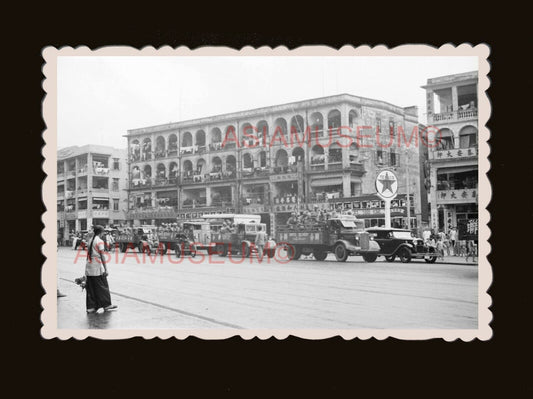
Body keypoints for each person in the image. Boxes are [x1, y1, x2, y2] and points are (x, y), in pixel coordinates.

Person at [85, 225, 117, 313]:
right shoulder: (99, 241)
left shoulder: (90, 240)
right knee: (103, 286)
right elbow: (102, 256)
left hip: (89, 265)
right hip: (96, 266)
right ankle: (106, 305)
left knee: (91, 287)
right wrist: (106, 269)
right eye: (103, 232)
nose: (104, 234)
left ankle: (91, 307)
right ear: (101, 232)